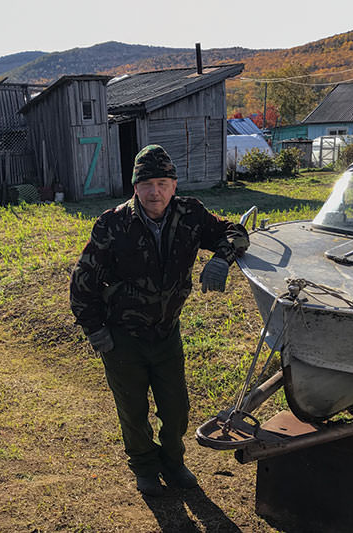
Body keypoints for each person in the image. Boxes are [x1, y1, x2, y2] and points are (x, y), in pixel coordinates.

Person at [70, 144, 249, 497]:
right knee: (133, 411)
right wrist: (95, 330)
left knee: (177, 408)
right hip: (123, 339)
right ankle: (145, 467)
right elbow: (82, 282)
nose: (156, 192)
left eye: (163, 183)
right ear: (134, 187)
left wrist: (221, 259)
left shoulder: (191, 213)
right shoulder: (112, 223)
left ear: (175, 185)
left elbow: (236, 233)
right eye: (147, 183)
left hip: (167, 334)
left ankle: (173, 460)